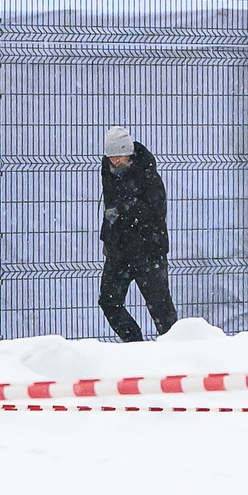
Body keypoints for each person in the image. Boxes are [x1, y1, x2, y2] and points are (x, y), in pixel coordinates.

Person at [99, 124, 176, 342]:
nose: (115, 161)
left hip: (148, 250)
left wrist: (125, 209)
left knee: (161, 308)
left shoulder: (147, 174)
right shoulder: (109, 170)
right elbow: (111, 207)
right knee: (109, 301)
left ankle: (176, 350)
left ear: (129, 153)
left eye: (119, 156)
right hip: (119, 250)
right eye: (111, 156)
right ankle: (135, 345)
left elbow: (155, 211)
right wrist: (108, 237)